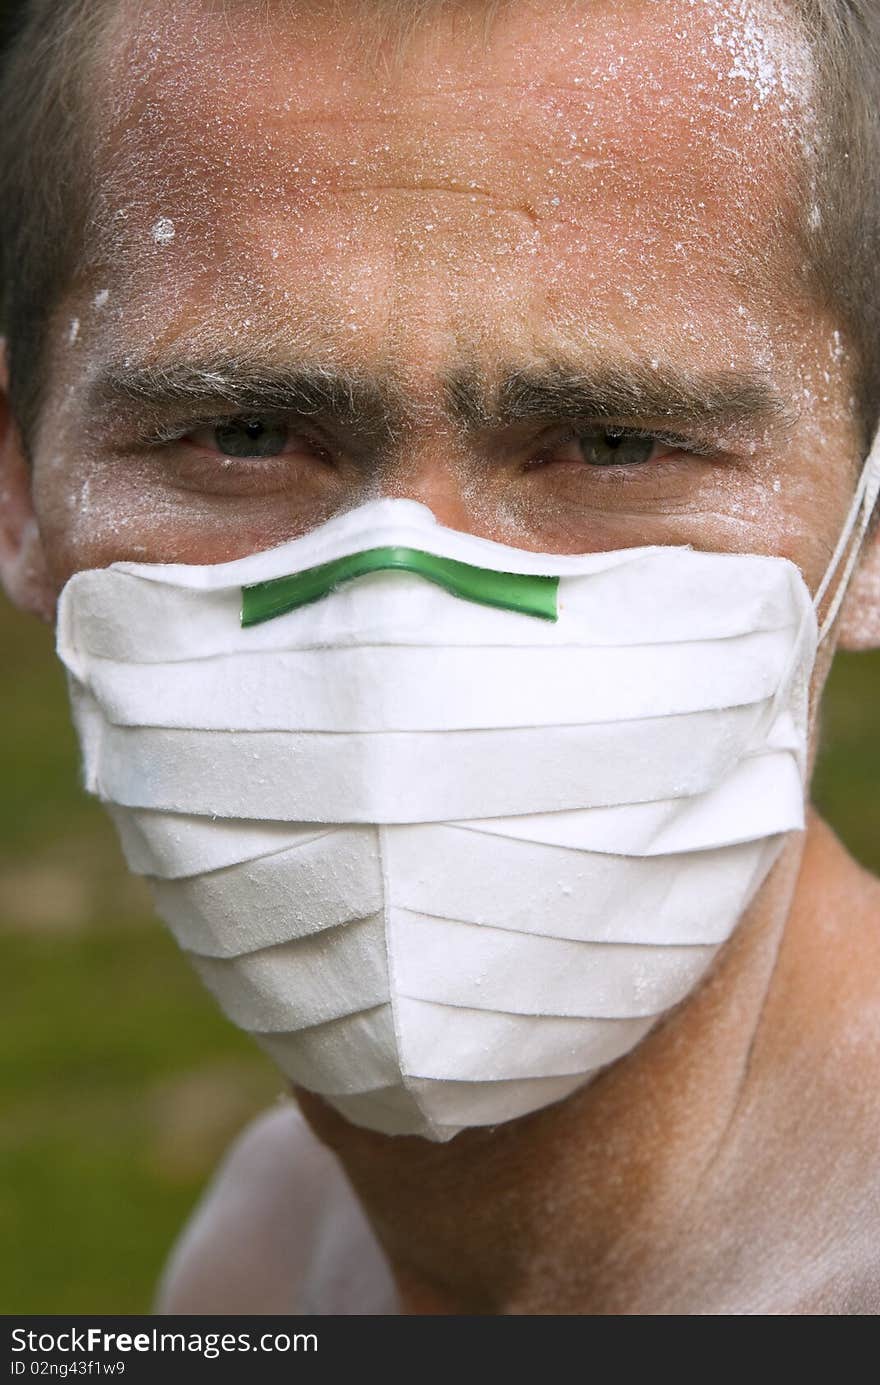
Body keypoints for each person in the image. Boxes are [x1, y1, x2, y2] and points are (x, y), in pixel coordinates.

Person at [0, 0, 878, 1316]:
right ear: (18, 482)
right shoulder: (266, 1254)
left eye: (616, 441)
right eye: (245, 432)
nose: (396, 632)